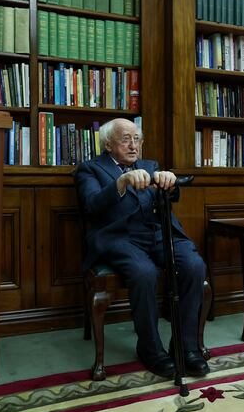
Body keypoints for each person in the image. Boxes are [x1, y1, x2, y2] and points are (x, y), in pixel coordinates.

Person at [74, 118, 209, 378]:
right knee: (144, 273)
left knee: (194, 266)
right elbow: (91, 204)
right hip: (119, 237)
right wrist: (121, 183)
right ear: (108, 144)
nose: (133, 145)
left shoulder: (149, 166)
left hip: (157, 232)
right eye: (126, 139)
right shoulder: (90, 169)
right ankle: (150, 348)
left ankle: (186, 346)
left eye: (137, 139)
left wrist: (169, 182)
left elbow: (167, 199)